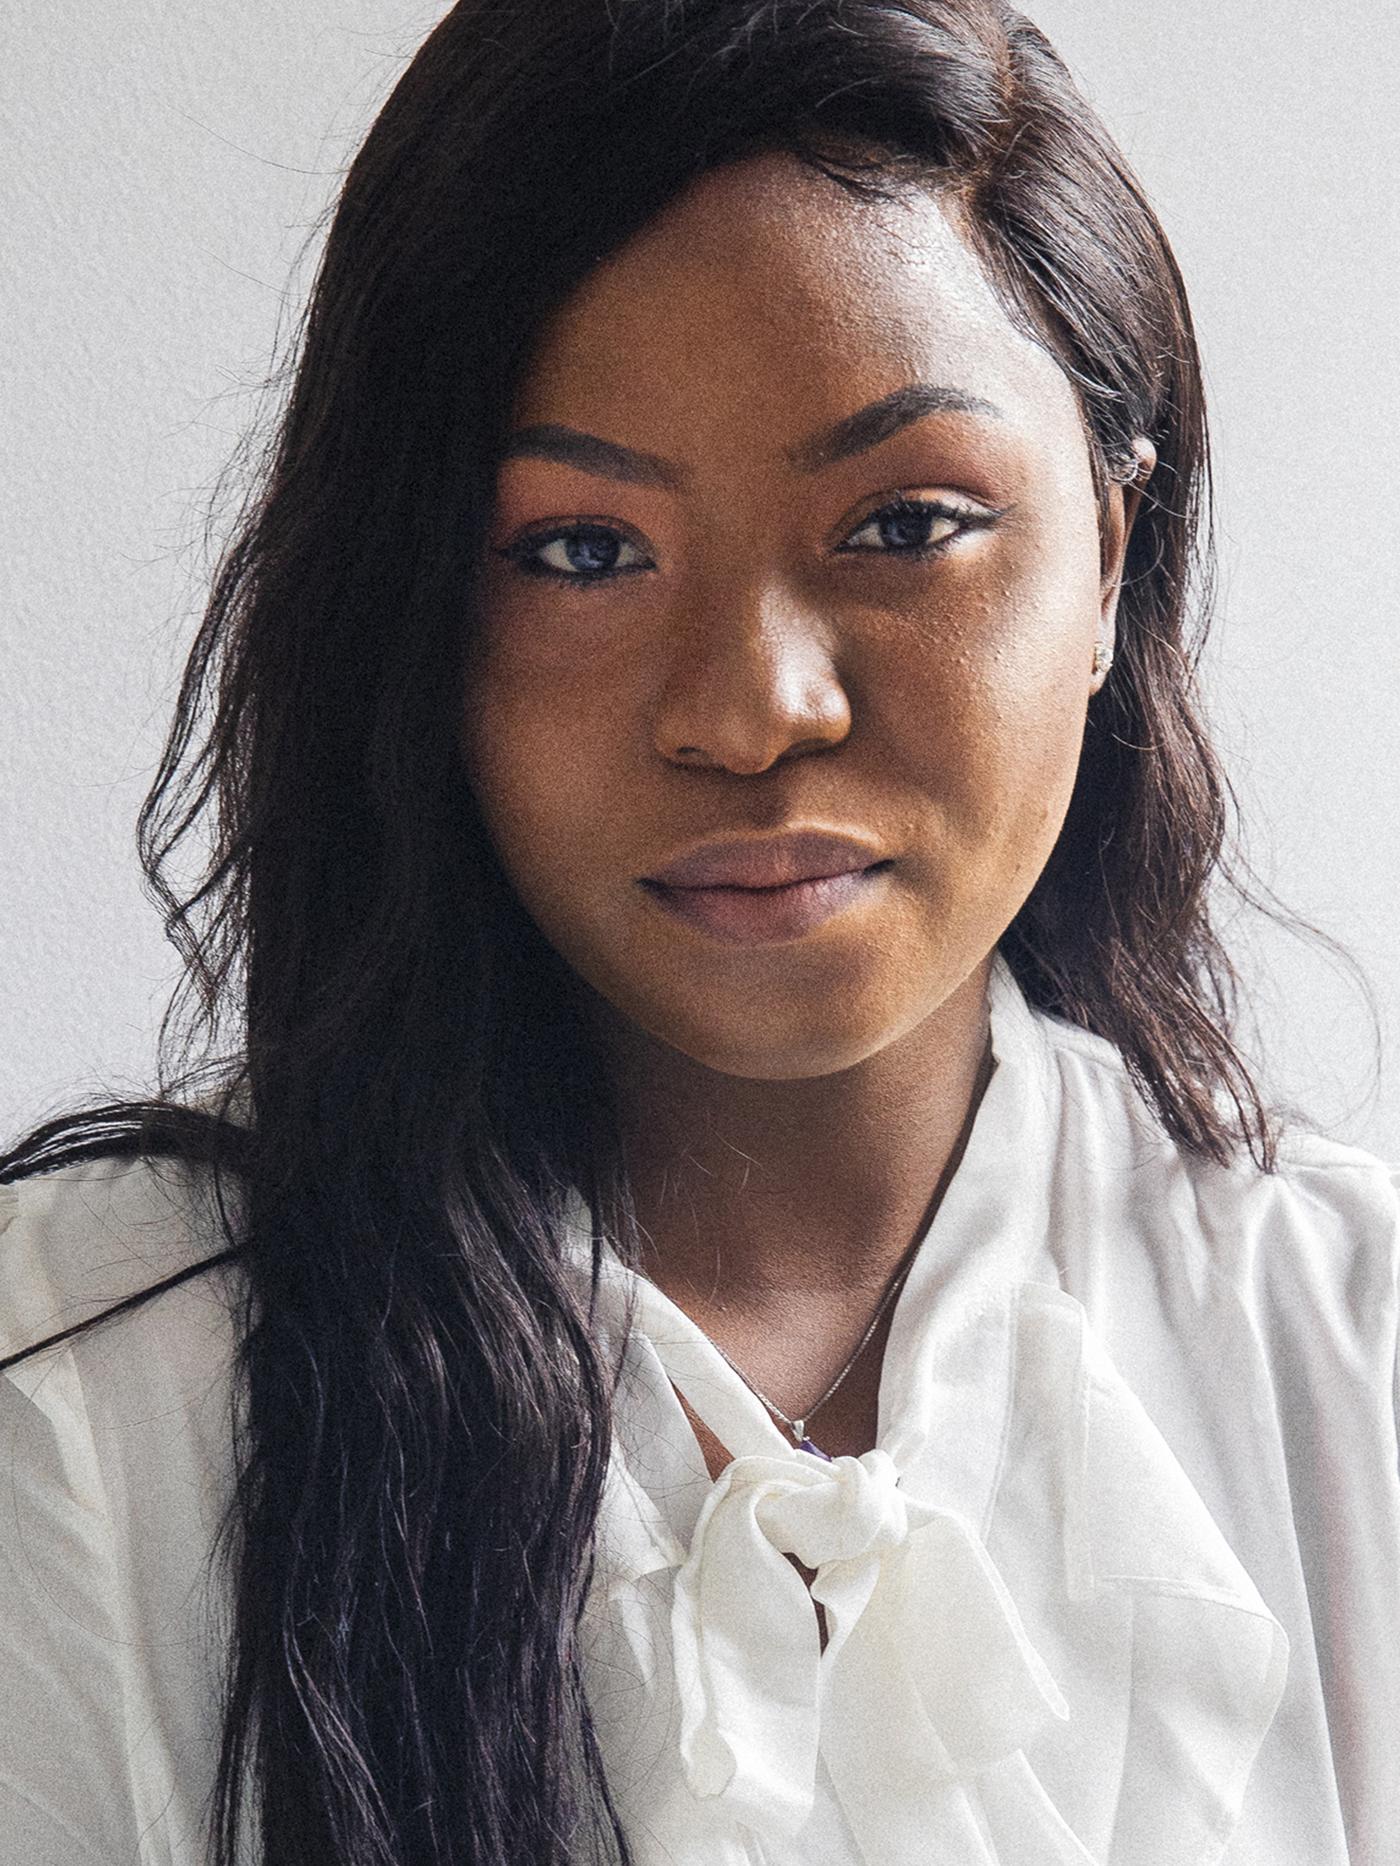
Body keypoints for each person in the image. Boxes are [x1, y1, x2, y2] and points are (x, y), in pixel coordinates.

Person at [2, 2, 1396, 1862]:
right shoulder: (84, 1406)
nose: (751, 709)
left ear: (1111, 564)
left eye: (905, 524)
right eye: (580, 549)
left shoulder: (1354, 1358)